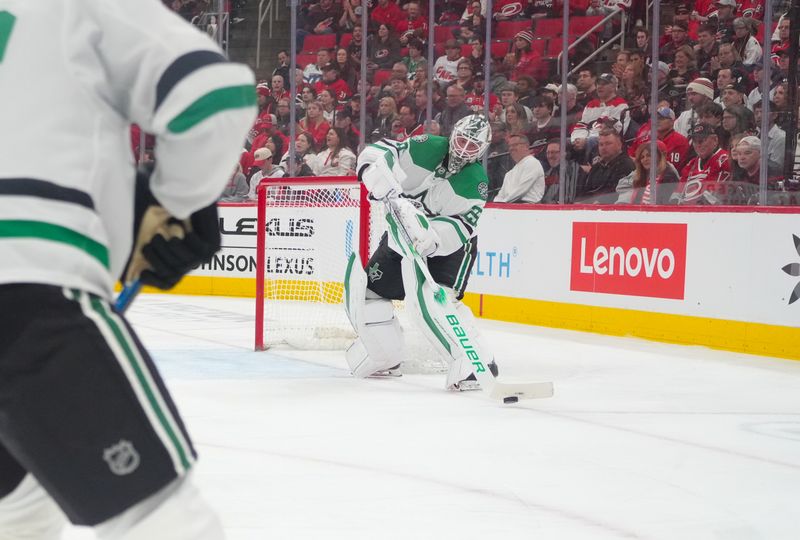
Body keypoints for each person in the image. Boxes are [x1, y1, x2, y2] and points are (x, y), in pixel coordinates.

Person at [0, 1, 256, 538]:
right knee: (156, 518)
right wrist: (174, 201)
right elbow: (213, 95)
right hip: (25, 290)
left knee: (20, 507)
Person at [345, 115, 498, 391]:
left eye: (472, 147)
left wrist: (431, 236)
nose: (464, 150)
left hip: (450, 250)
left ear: (483, 150)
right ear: (453, 135)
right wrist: (372, 169)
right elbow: (385, 150)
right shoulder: (426, 145)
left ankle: (476, 362)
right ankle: (385, 354)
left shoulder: (476, 183)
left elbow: (462, 226)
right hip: (399, 239)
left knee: (436, 299)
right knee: (367, 293)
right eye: (462, 141)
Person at [675, 123, 731, 204]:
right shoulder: (691, 164)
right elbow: (677, 195)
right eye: (694, 141)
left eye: (702, 140)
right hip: (687, 212)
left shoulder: (724, 159)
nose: (698, 145)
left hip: (709, 213)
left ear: (715, 140)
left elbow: (712, 198)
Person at [576, 128, 636, 203]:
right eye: (601, 144)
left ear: (619, 145)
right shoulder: (596, 167)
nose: (604, 148)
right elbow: (585, 191)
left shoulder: (626, 165)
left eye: (608, 143)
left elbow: (616, 193)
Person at [616, 142, 680, 204]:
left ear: (658, 157)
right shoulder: (641, 177)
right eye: (642, 157)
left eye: (649, 155)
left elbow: (664, 203)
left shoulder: (669, 176)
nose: (645, 159)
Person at [494, 135, 546, 203]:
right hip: (509, 207)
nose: (511, 148)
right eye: (510, 146)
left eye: (515, 145)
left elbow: (522, 189)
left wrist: (504, 202)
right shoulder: (510, 173)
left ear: (526, 146)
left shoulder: (532, 163)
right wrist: (496, 203)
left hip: (529, 208)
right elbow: (501, 195)